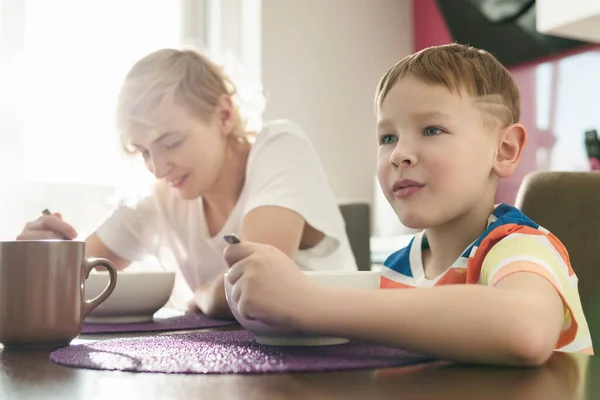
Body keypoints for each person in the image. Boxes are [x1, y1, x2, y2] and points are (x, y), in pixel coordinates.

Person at [222, 44, 593, 365]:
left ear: (504, 149)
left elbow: (524, 329)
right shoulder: (398, 270)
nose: (399, 153)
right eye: (387, 137)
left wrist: (309, 302)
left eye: (432, 130)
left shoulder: (518, 247)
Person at [17, 49, 358, 318]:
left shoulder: (280, 145)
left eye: (171, 141)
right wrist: (32, 259)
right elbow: (61, 283)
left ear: (224, 115)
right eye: (144, 152)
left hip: (338, 362)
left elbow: (256, 283)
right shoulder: (162, 201)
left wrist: (206, 295)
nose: (157, 168)